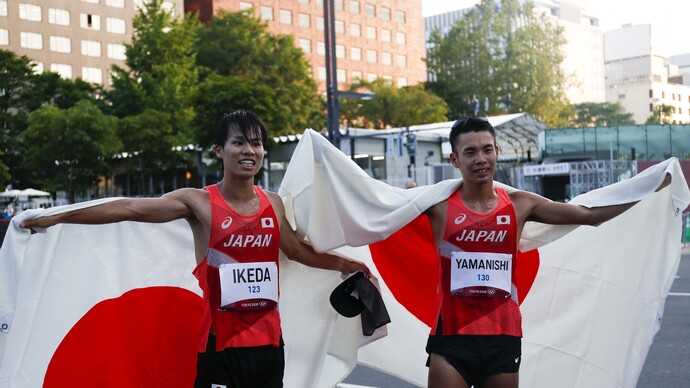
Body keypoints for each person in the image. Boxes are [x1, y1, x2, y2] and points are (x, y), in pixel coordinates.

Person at [20, 110, 369, 388]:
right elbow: (130, 208)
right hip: (218, 346)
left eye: (256, 143)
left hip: (268, 346)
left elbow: (297, 251)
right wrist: (59, 218)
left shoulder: (274, 203)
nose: (249, 151)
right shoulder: (199, 203)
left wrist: (344, 264)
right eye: (239, 143)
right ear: (219, 150)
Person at [422, 116, 669, 388]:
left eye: (487, 149)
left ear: (497, 152)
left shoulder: (520, 205)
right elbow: (381, 209)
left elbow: (587, 214)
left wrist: (650, 188)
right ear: (455, 160)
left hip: (503, 337)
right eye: (470, 152)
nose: (480, 158)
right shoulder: (438, 206)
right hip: (452, 337)